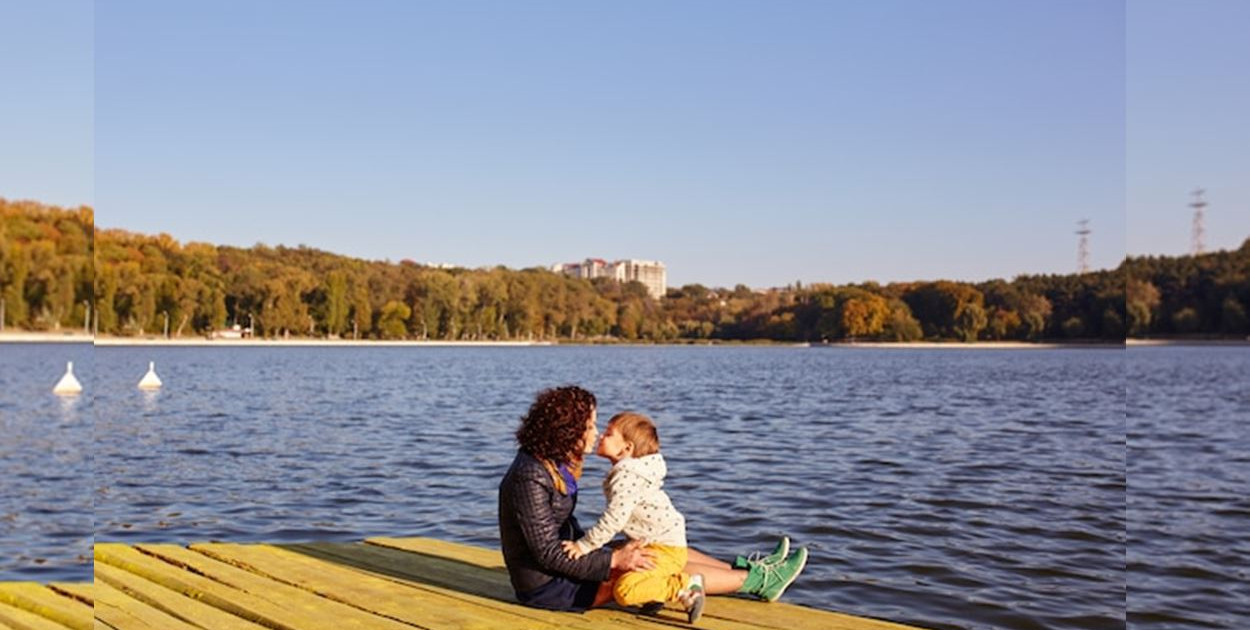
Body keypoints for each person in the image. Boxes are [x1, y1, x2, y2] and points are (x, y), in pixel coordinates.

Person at [498, 386, 808, 618]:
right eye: (590, 426)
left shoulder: (552, 464)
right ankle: (755, 580)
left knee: (654, 547)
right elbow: (549, 554)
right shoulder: (530, 477)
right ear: (567, 431)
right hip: (551, 586)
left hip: (567, 562)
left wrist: (601, 549)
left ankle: (751, 570)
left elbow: (560, 533)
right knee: (649, 562)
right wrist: (612, 560)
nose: (595, 433)